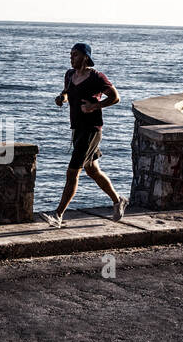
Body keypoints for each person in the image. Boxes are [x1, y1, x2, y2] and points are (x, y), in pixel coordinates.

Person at [41, 42, 127, 226]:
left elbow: (115, 97)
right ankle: (118, 200)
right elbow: (66, 92)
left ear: (85, 57)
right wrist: (61, 98)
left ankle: (58, 215)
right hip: (77, 130)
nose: (71, 58)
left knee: (72, 172)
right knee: (93, 171)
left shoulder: (96, 77)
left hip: (92, 130)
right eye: (71, 54)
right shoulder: (70, 75)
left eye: (75, 55)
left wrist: (94, 106)